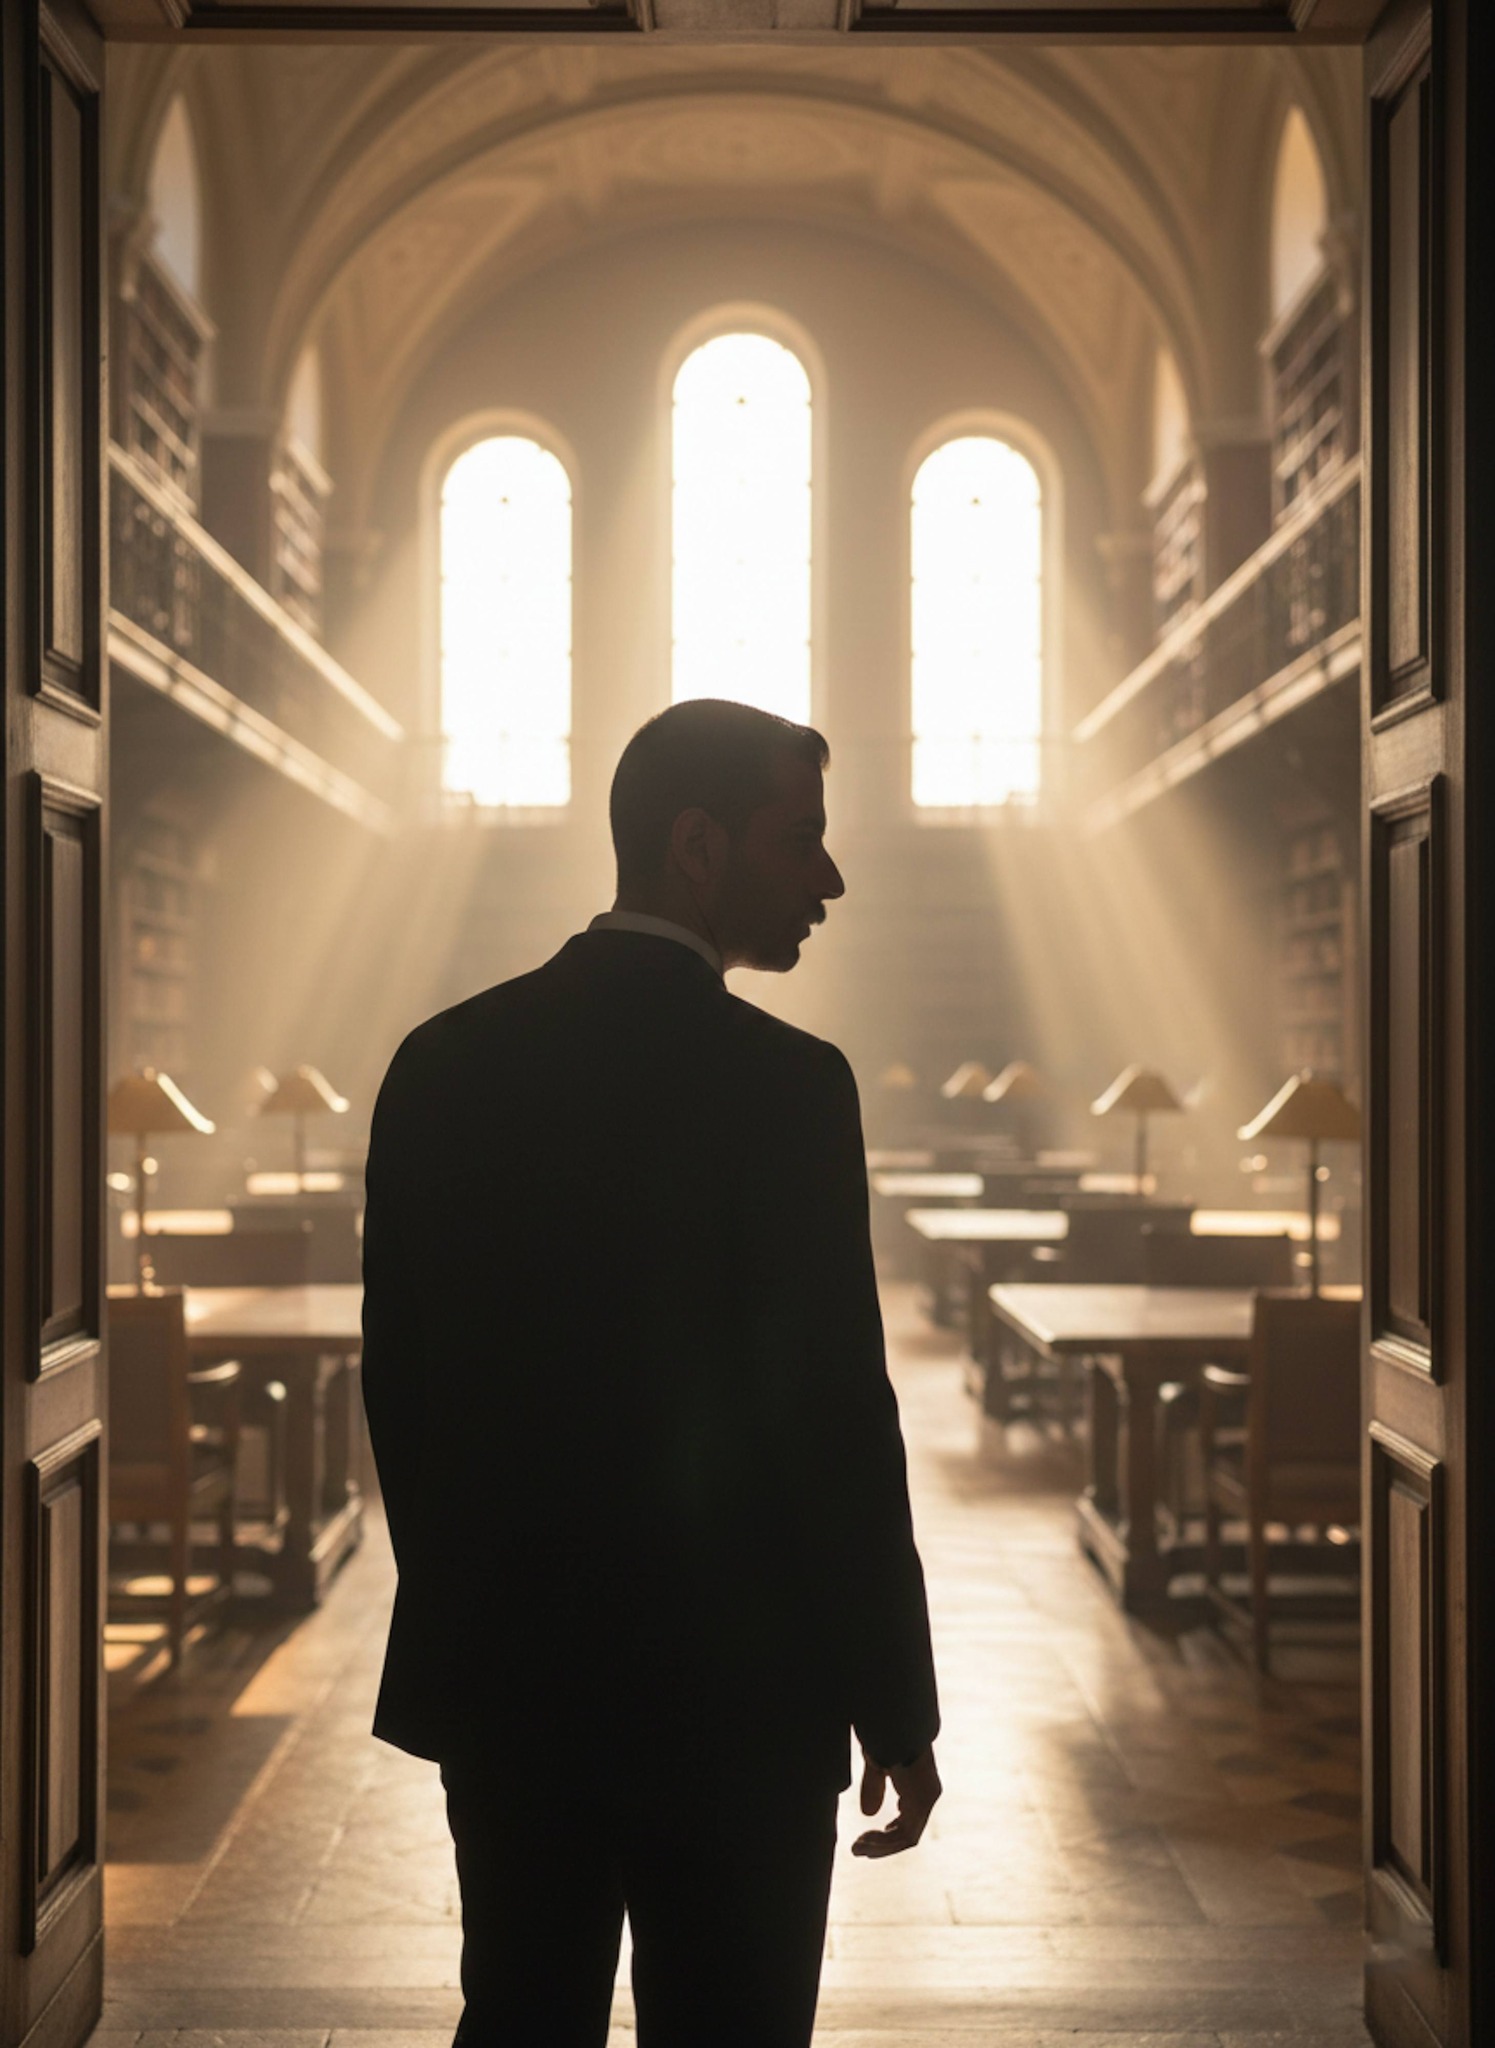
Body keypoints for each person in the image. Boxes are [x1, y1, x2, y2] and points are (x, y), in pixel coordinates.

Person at [362, 698, 941, 2048]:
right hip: (743, 1696)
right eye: (801, 839)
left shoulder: (442, 1066)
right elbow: (833, 1421)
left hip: (510, 1676)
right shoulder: (791, 1088)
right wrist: (891, 1697)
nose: (831, 878)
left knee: (518, 2017)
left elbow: (403, 1389)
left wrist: (472, 1604)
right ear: (697, 845)